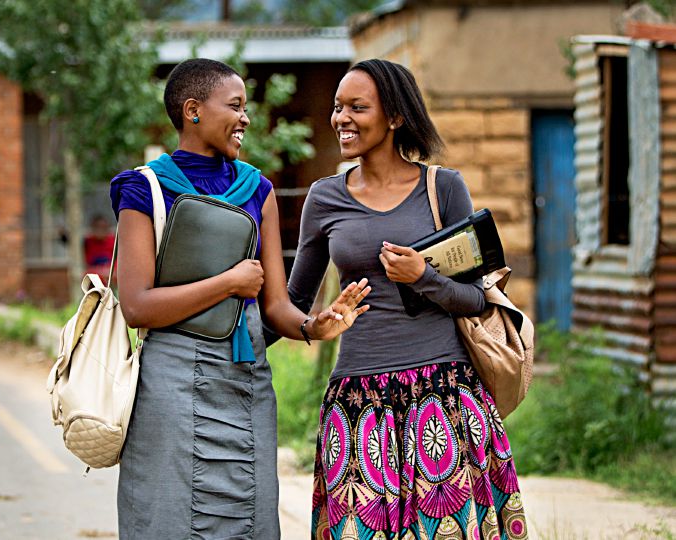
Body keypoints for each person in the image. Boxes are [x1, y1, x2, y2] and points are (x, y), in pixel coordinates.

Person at [110, 58, 370, 540]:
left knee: (247, 517)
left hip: (244, 383)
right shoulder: (143, 189)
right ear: (193, 110)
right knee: (167, 514)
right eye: (234, 106)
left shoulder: (258, 190)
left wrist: (315, 325)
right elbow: (138, 306)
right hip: (171, 381)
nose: (246, 119)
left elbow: (274, 306)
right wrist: (228, 283)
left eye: (246, 107)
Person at [289, 59, 528, 539]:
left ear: (395, 117)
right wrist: (316, 325)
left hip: (443, 398)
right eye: (338, 108)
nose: (342, 119)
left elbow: (479, 301)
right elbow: (294, 301)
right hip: (357, 402)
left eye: (358, 107)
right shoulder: (324, 198)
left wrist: (424, 277)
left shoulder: (443, 189)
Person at [82, 214, 115, 283]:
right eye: (97, 227)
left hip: (110, 280)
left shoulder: (113, 241)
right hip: (93, 281)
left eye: (103, 227)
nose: (100, 231)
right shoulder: (88, 241)